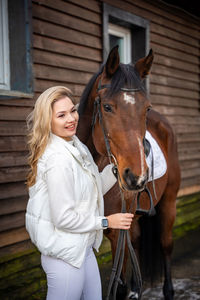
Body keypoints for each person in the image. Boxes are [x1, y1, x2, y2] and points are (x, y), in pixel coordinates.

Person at [25, 86, 133, 300]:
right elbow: (63, 218)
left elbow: (92, 190)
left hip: (82, 248)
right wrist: (107, 222)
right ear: (48, 121)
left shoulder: (76, 146)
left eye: (72, 111)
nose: (71, 119)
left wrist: (116, 168)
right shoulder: (58, 159)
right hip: (64, 256)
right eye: (61, 115)